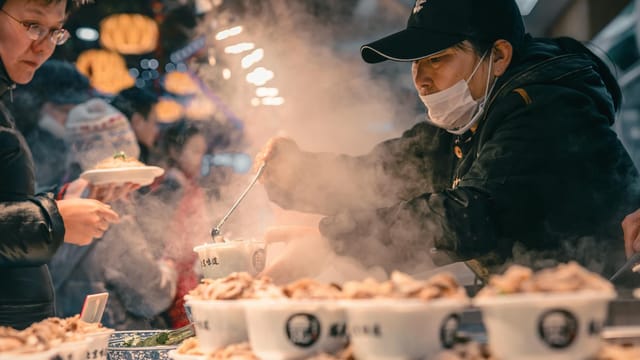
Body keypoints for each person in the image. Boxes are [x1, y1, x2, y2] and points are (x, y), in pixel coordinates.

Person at [256, 0, 640, 282]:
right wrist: (291, 174)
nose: (421, 78)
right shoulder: (468, 120)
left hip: (603, 309)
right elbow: (380, 176)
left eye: (436, 59)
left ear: (499, 55)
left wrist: (333, 240)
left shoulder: (547, 108)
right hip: (529, 310)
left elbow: (472, 214)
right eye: (415, 63)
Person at [0, 0, 119, 329]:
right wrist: (53, 220)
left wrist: (66, 197)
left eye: (55, 32)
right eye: (32, 26)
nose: (43, 47)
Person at [49, 98, 177, 330]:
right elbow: (151, 298)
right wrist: (169, 267)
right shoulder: (111, 210)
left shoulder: (58, 199)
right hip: (115, 341)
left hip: (69, 336)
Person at [110, 86, 160, 165]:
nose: (157, 130)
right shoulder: (131, 160)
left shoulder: (108, 154)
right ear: (137, 121)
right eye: (154, 123)